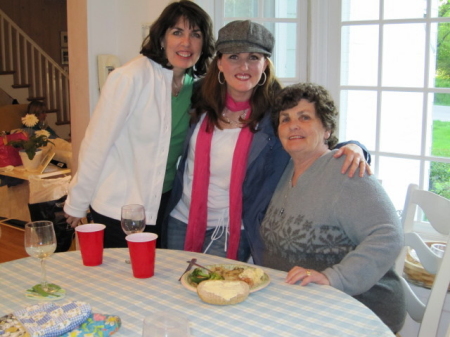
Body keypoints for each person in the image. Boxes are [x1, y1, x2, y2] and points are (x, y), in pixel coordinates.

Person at [166, 20, 371, 263]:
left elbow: (318, 139)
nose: (244, 66)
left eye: (253, 57)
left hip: (234, 229)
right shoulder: (198, 98)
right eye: (233, 57)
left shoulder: (278, 112)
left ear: (265, 64)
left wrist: (356, 147)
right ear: (219, 62)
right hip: (181, 220)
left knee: (219, 293)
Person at [63, 0, 214, 248]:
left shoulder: (196, 85)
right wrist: (77, 202)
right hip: (119, 206)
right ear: (162, 38)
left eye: (195, 34)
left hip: (165, 203)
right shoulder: (129, 77)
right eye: (177, 32)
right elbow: (96, 144)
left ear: (203, 43)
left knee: (153, 279)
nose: (186, 43)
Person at [259, 82, 405, 332]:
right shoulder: (286, 170)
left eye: (304, 117)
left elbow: (388, 235)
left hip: (357, 311)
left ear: (327, 129)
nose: (293, 125)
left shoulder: (345, 170)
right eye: (285, 119)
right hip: (304, 307)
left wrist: (332, 277)